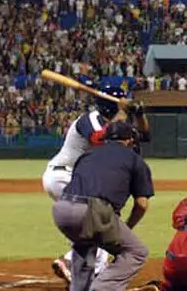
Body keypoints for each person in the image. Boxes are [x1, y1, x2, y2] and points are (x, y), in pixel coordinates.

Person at [52, 121, 154, 291]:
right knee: (136, 252)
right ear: (129, 141)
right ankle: (102, 288)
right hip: (92, 210)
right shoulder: (135, 159)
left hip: (61, 208)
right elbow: (141, 205)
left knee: (85, 245)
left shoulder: (88, 153)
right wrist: (127, 226)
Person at [44, 80, 126, 284]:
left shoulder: (111, 123)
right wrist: (122, 114)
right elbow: (99, 138)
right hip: (63, 176)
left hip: (73, 179)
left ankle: (83, 265)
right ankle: (74, 263)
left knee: (97, 223)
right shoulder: (89, 118)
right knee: (100, 220)